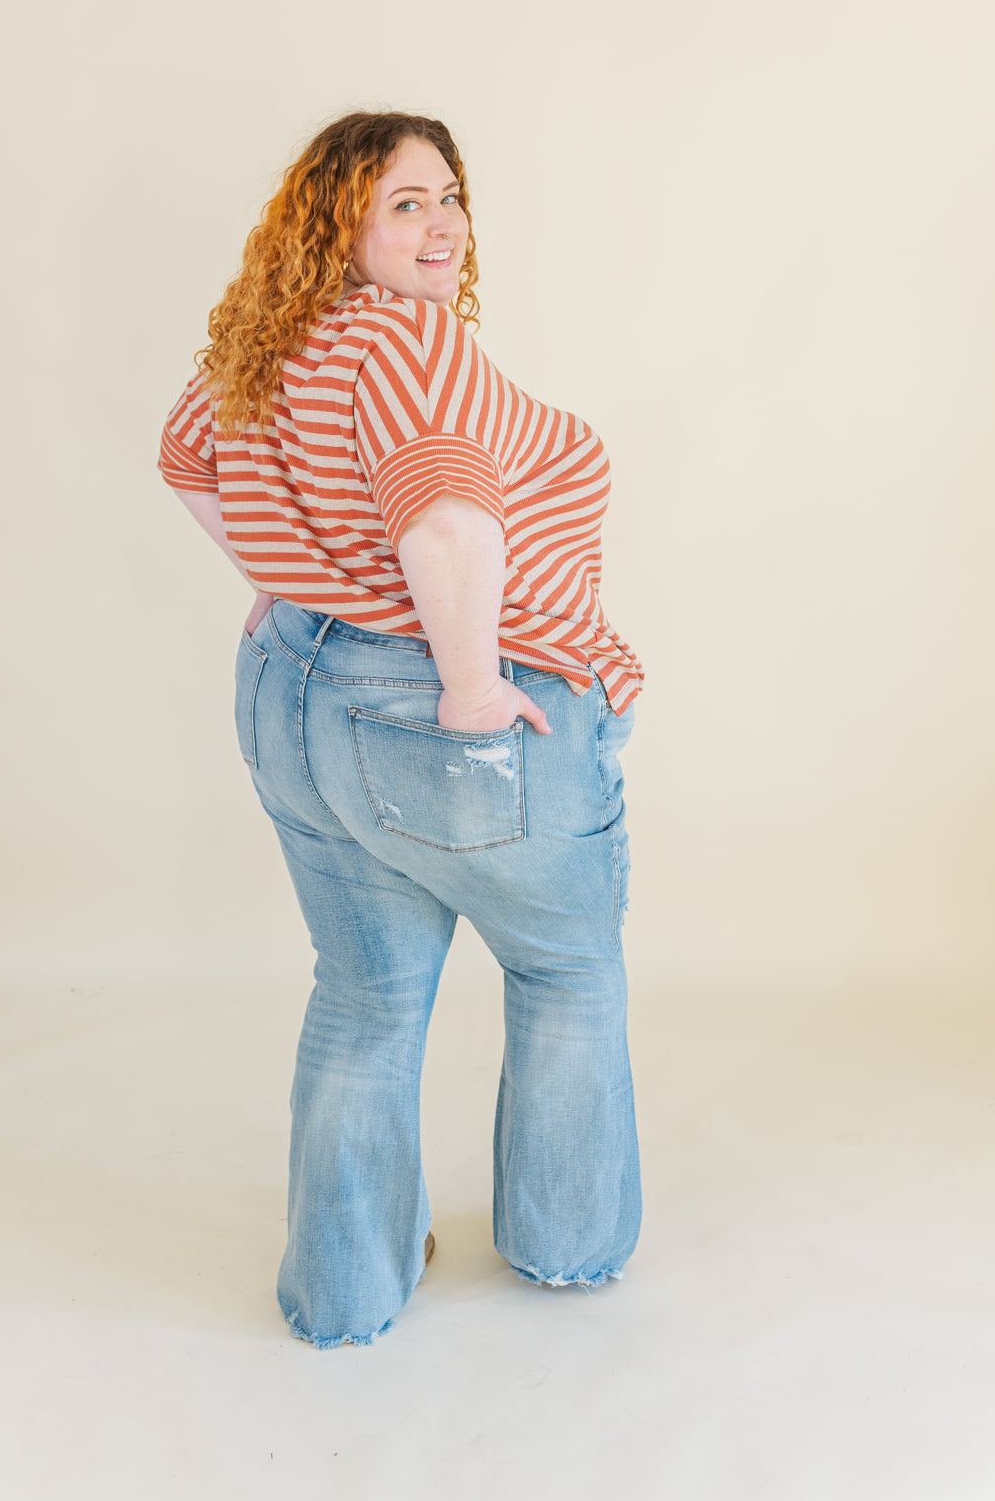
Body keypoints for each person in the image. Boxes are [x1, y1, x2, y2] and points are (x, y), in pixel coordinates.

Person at [158, 110, 646, 1350]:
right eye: (403, 205)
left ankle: (344, 1290)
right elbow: (444, 525)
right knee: (566, 967)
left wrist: (287, 582)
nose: (441, 226)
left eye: (447, 197)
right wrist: (475, 693)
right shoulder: (411, 342)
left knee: (366, 992)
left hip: (291, 691)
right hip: (429, 706)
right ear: (341, 226)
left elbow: (184, 459)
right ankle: (567, 1244)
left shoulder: (267, 345)